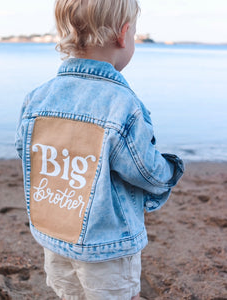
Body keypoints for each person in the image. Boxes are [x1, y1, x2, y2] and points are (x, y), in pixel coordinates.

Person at [15, 0, 184, 299]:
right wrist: (170, 170)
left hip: (54, 233)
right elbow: (144, 170)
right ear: (123, 34)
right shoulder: (122, 104)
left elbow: (26, 150)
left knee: (69, 294)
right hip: (106, 245)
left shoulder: (37, 97)